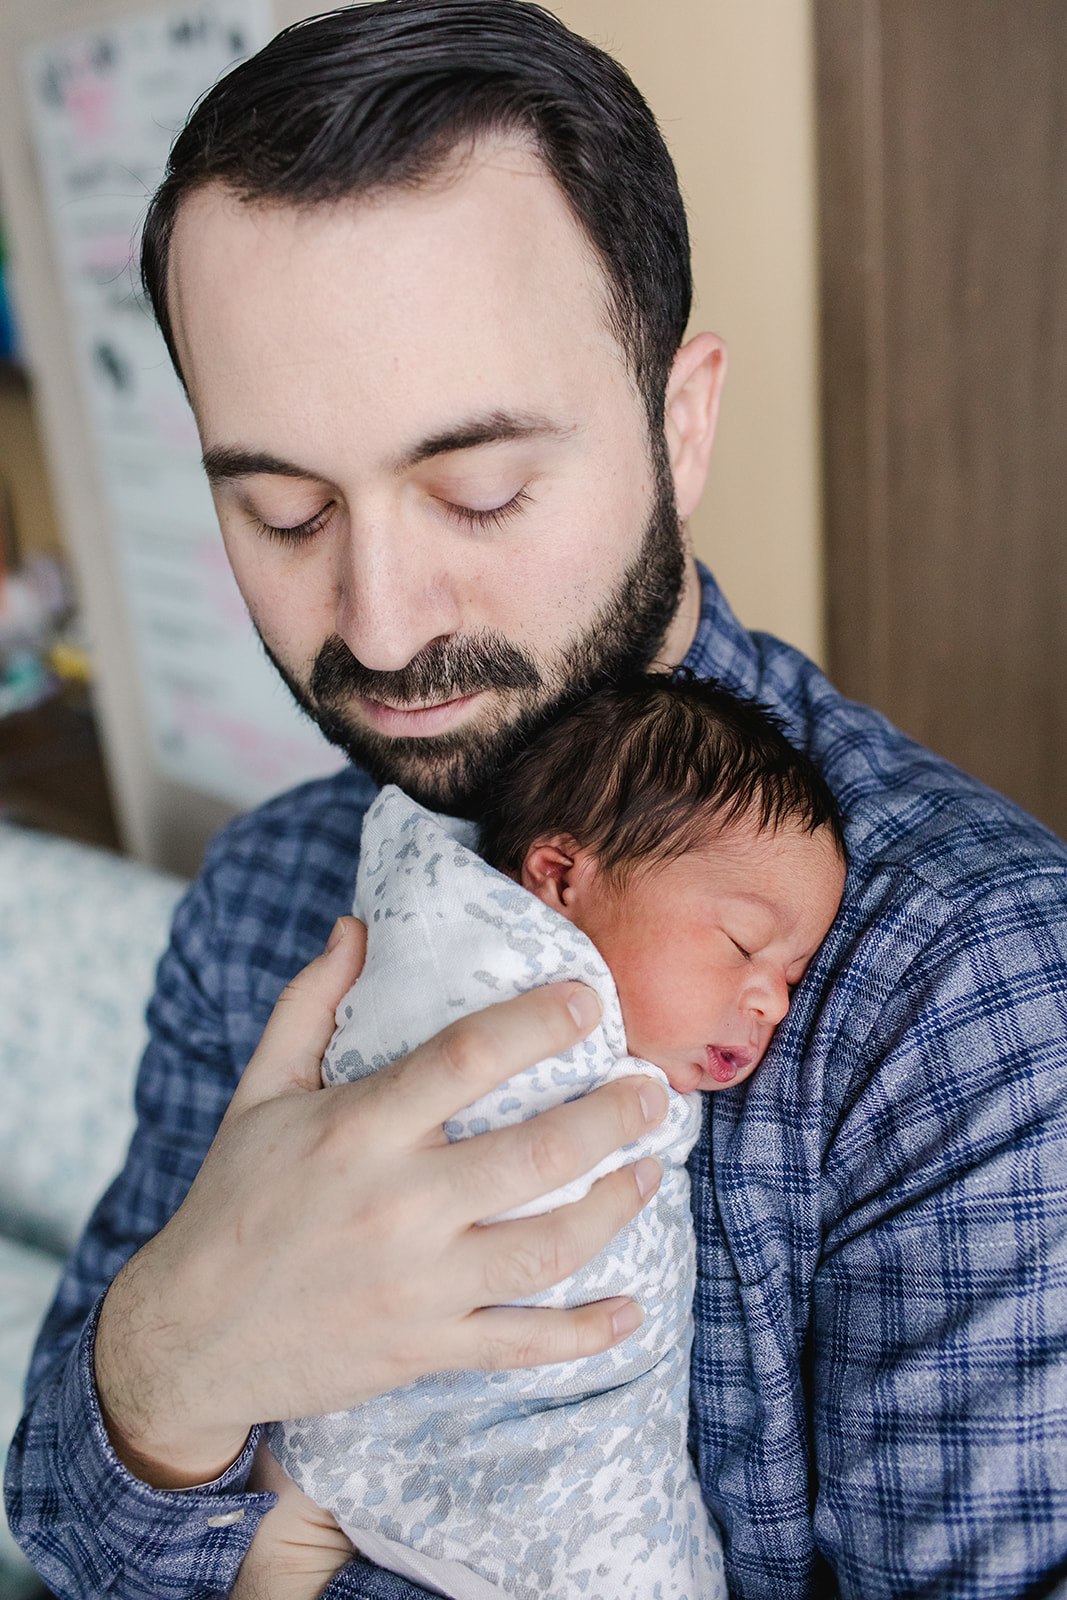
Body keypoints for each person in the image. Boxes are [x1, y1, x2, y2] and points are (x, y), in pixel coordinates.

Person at [5, 4, 1067, 1597]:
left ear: (680, 420)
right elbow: (68, 1536)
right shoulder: (267, 897)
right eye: (284, 512)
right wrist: (173, 1353)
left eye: (478, 490)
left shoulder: (961, 985)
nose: (374, 621)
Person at [262, 675, 846, 1600]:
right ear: (560, 879)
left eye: (794, 969)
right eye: (741, 946)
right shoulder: (477, 982)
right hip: (426, 1429)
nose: (773, 998)